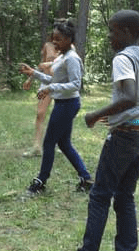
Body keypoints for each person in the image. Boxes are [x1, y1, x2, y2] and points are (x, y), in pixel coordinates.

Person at [53, 10, 139, 251]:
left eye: (113, 31)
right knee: (125, 197)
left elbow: (128, 97)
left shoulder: (123, 58)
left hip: (127, 133)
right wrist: (118, 113)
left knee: (100, 196)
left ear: (126, 32)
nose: (110, 37)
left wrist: (94, 115)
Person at [20, 19, 92, 196]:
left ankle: (41, 181)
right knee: (64, 143)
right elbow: (55, 81)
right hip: (63, 103)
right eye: (53, 39)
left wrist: (51, 89)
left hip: (68, 104)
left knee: (49, 142)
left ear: (69, 38)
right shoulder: (62, 57)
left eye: (58, 39)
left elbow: (76, 84)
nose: (55, 43)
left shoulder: (72, 58)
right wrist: (34, 73)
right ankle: (86, 178)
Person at [21, 35, 60, 157]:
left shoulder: (70, 48)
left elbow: (67, 63)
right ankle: (37, 146)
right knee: (40, 113)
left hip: (60, 82)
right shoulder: (47, 46)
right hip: (46, 82)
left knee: (59, 115)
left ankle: (59, 144)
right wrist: (30, 78)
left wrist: (51, 63)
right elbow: (40, 65)